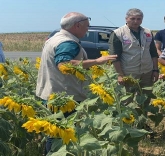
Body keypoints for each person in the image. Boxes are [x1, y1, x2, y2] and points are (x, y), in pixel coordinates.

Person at [36, 12, 117, 155]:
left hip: (51, 91)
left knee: (55, 131)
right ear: (77, 25)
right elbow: (64, 64)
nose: (88, 28)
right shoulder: (68, 43)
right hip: (64, 95)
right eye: (87, 25)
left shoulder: (55, 38)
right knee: (60, 132)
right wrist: (97, 61)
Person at [108, 8, 159, 106]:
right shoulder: (118, 33)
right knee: (127, 100)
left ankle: (142, 119)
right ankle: (128, 120)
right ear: (126, 19)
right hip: (128, 72)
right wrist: (120, 74)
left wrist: (155, 70)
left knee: (145, 98)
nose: (136, 21)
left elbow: (153, 52)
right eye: (133, 18)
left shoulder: (147, 32)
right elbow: (115, 57)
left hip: (147, 71)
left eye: (139, 19)